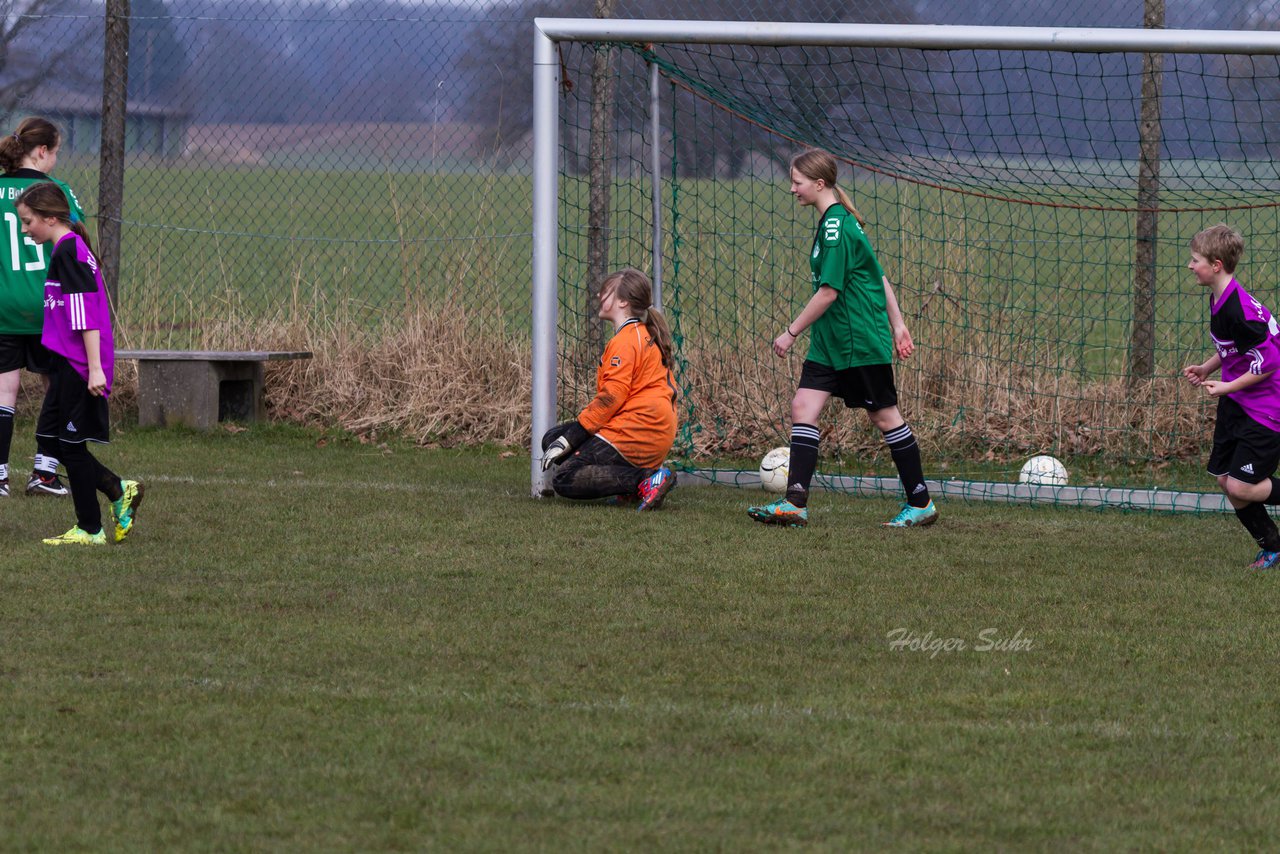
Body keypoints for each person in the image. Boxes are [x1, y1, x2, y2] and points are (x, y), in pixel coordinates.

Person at [748, 148, 937, 529]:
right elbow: (877, 275)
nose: (791, 189)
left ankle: (921, 503)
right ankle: (794, 504)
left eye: (797, 183)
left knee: (884, 417)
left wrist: (790, 332)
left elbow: (830, 292)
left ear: (819, 184)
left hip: (858, 342)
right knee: (803, 406)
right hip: (831, 342)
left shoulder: (837, 226)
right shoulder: (836, 222)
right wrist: (899, 324)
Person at [15, 182, 143, 546]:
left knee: (70, 445)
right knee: (47, 438)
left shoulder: (69, 250)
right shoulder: (67, 248)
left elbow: (85, 315)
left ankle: (90, 528)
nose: (25, 230)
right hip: (66, 361)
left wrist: (95, 368)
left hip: (79, 363)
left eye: (28, 222)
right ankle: (120, 489)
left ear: (51, 218)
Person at [1182, 224, 1280, 570]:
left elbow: (1269, 363)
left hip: (1267, 409)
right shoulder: (1220, 297)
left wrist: (1225, 386)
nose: (1191, 266)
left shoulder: (1239, 309)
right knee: (1226, 480)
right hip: (1238, 402)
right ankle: (1273, 547)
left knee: (1240, 486)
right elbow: (1235, 350)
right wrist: (1209, 368)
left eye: (1196, 260)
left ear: (1217, 264)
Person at [540, 267, 678, 511]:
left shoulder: (625, 341)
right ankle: (637, 479)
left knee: (564, 478)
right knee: (551, 439)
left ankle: (644, 481)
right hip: (651, 428)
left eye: (605, 292)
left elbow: (611, 398)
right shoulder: (642, 333)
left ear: (623, 301)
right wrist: (569, 437)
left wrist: (573, 437)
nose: (598, 297)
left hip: (638, 429)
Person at [0, 117, 86, 498]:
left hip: (3, 305)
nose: (55, 161)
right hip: (48, 307)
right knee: (56, 386)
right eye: (55, 153)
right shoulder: (56, 192)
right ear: (41, 151)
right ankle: (45, 472)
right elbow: (77, 241)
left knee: (4, 391)